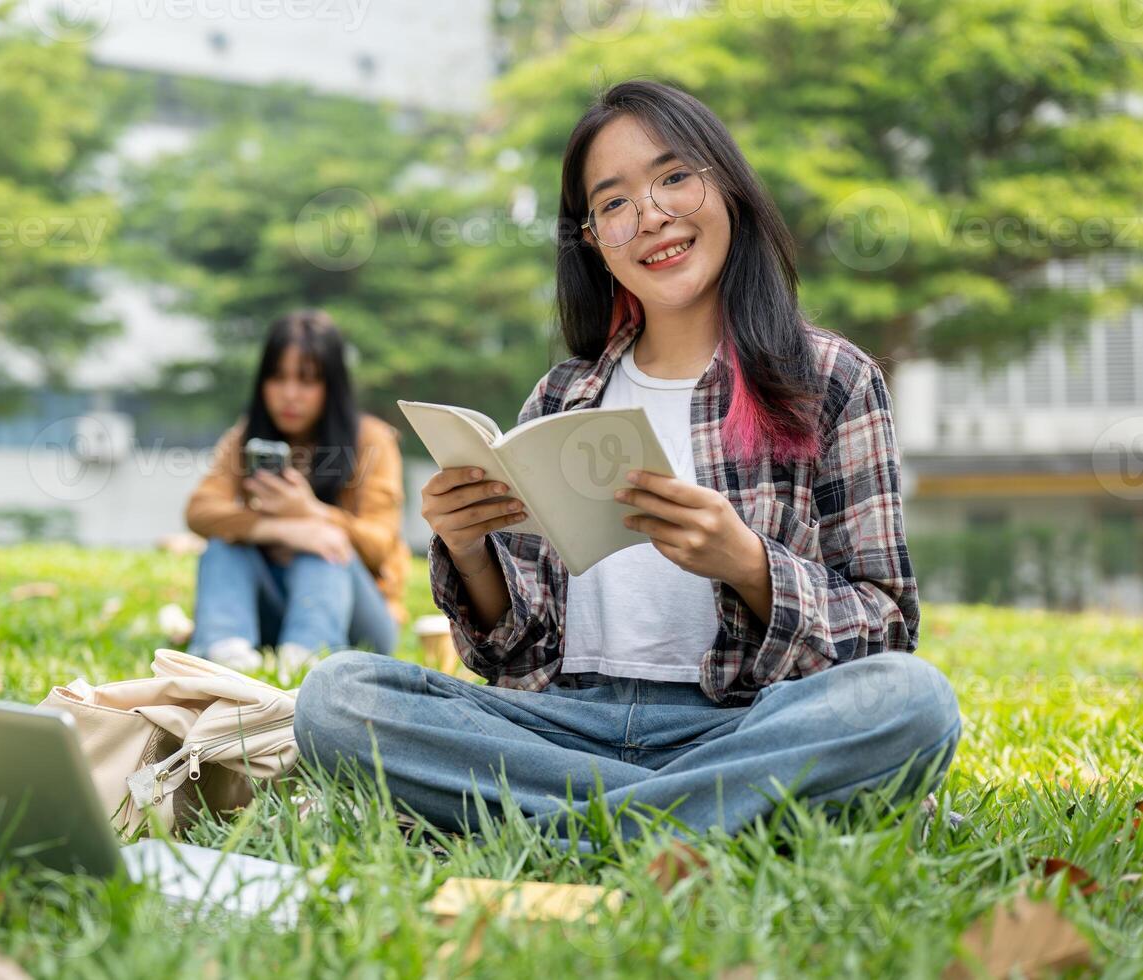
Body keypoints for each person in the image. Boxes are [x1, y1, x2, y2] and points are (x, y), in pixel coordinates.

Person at [294, 81, 962, 845]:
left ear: (729, 189)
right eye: (612, 203)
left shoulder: (831, 379)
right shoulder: (561, 397)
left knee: (910, 702)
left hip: (741, 726)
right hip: (562, 728)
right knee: (337, 698)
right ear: (592, 242)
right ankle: (709, 822)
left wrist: (748, 564)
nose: (649, 216)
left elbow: (884, 632)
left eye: (674, 177)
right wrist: (469, 550)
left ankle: (569, 830)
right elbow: (510, 660)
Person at [184, 309, 411, 680]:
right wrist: (279, 529)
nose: (290, 395)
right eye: (278, 378)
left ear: (331, 385)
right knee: (224, 544)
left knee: (324, 545)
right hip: (276, 611)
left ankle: (308, 658)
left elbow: (380, 545)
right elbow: (199, 511)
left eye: (306, 381)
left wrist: (313, 514)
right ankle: (224, 651)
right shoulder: (246, 438)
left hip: (362, 617)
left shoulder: (372, 440)